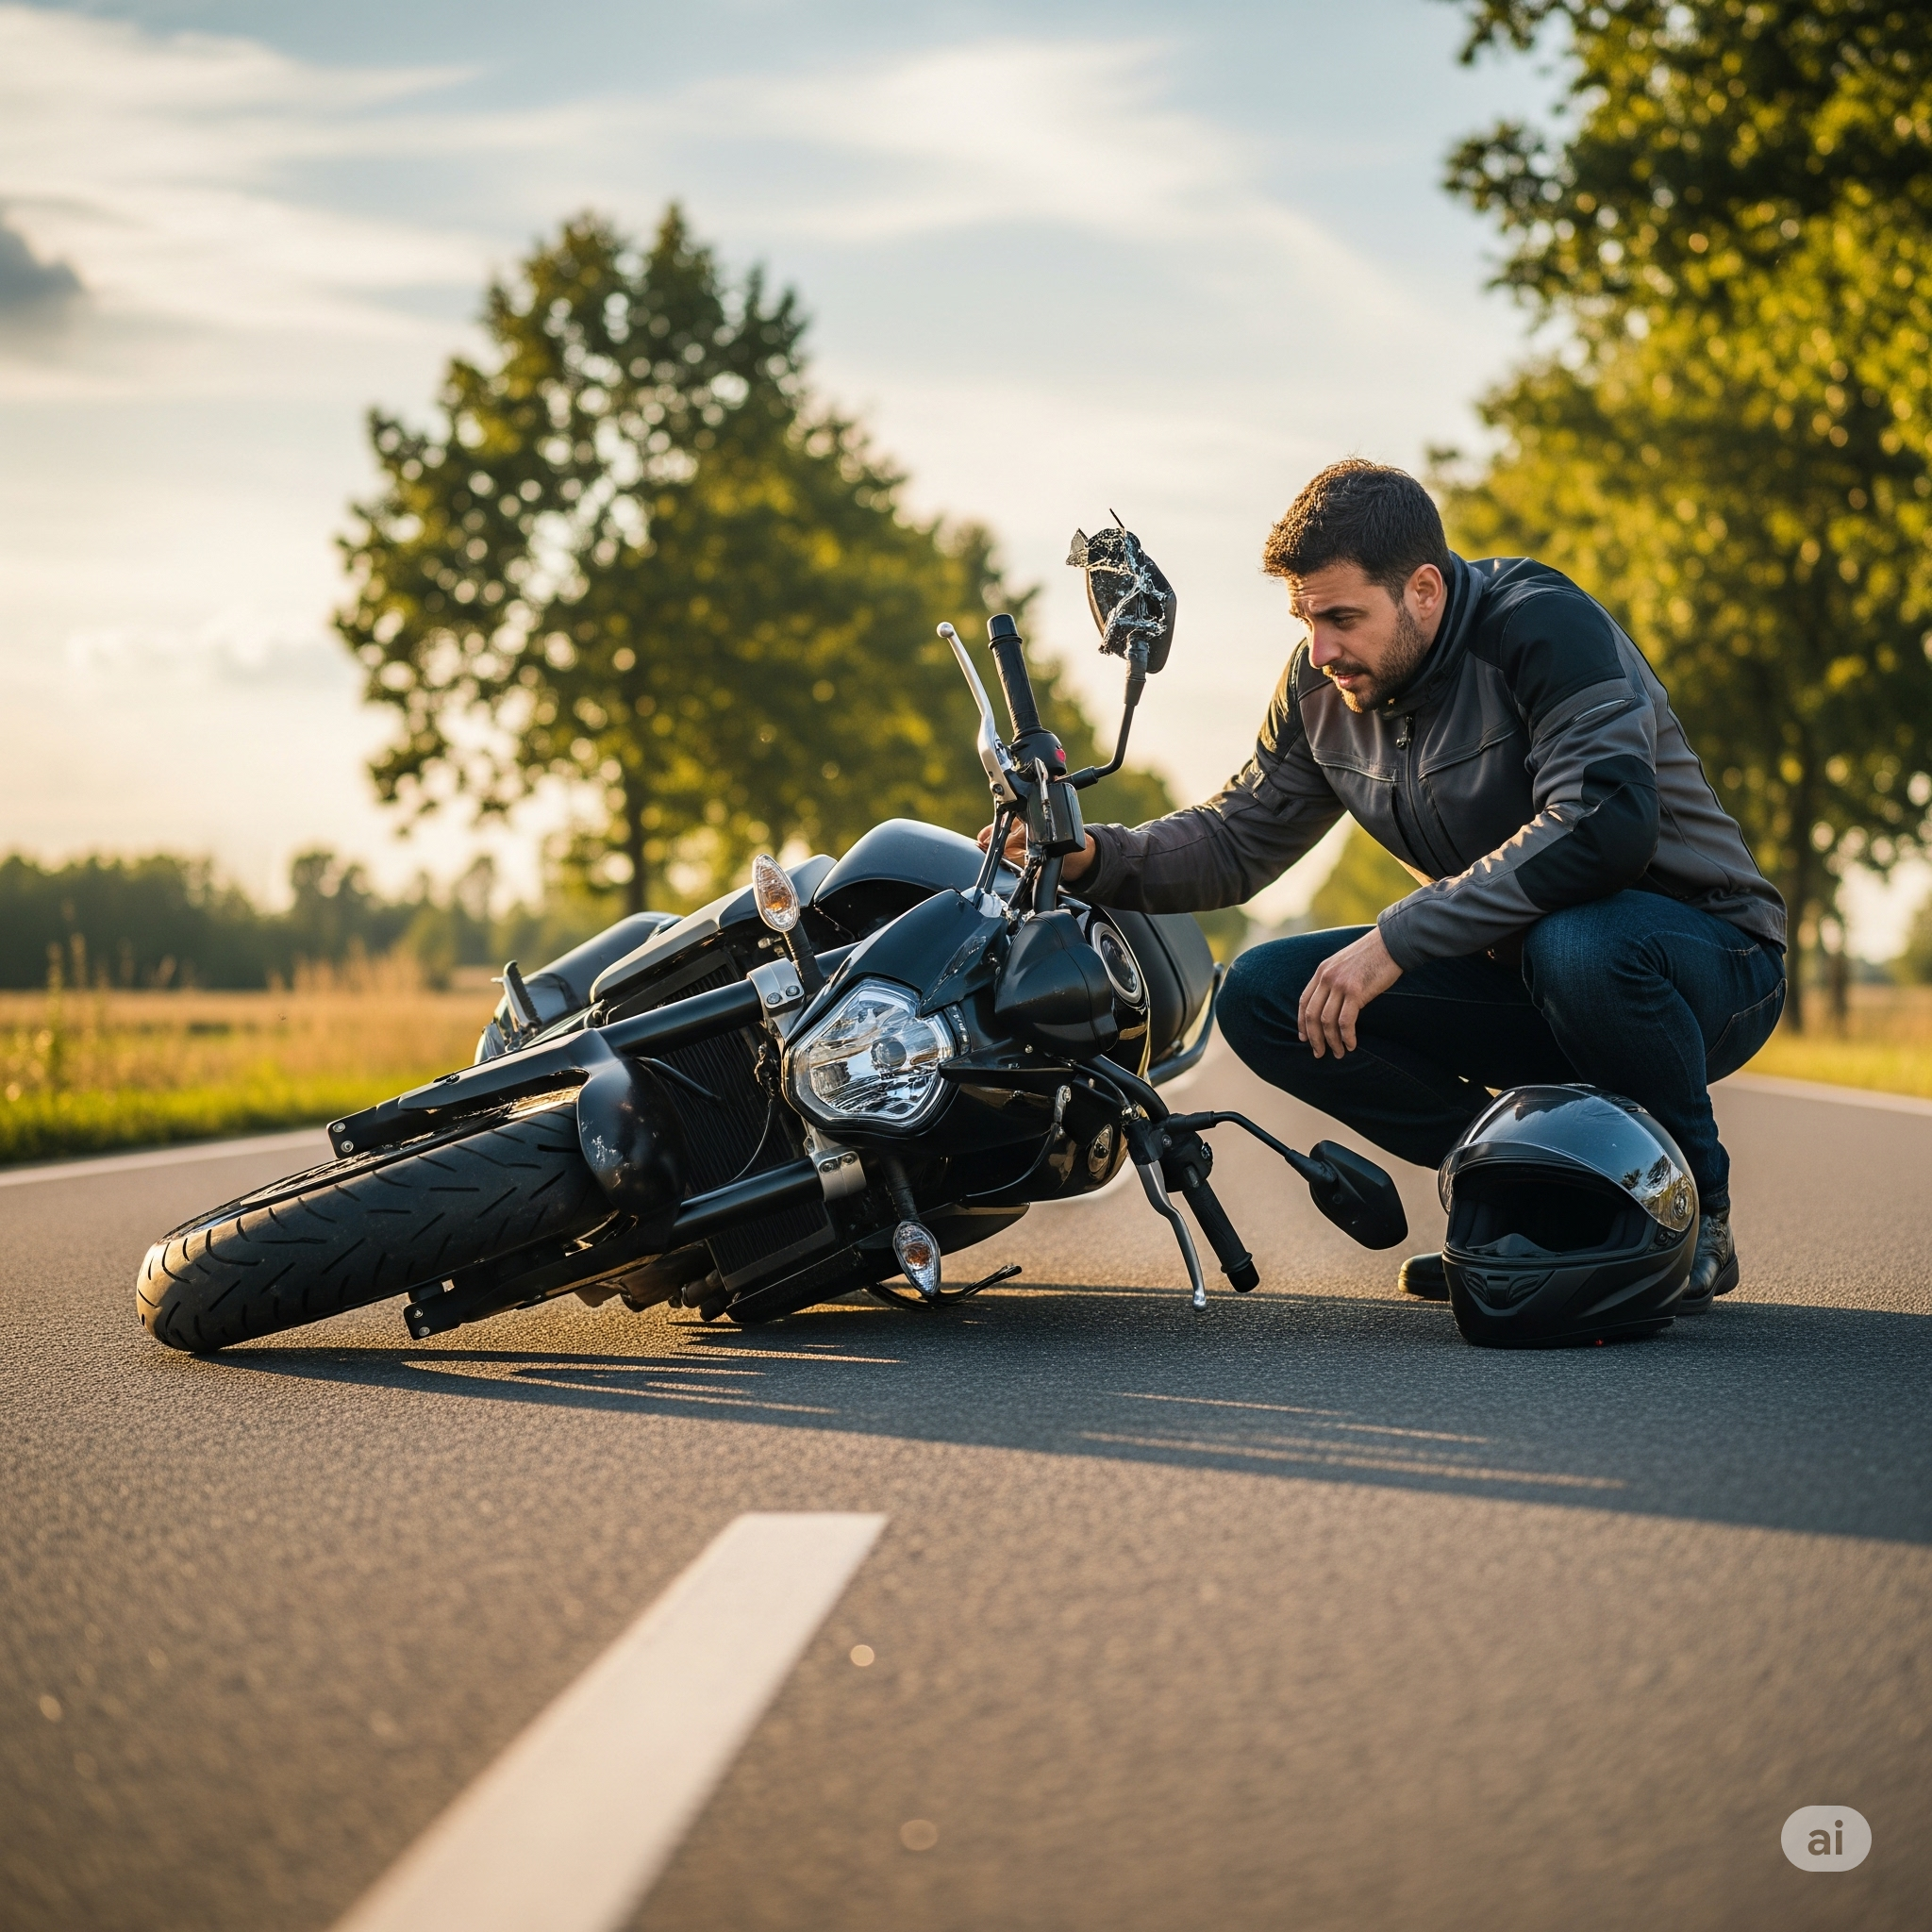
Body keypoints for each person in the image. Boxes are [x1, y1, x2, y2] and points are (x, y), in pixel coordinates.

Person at [982, 460, 1787, 1313]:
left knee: (1578, 944)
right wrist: (1093, 857)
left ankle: (1696, 1217)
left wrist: (1400, 937)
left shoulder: (1540, 626)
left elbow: (1603, 822)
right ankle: (1530, 1203)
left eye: (1341, 618)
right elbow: (1235, 838)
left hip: (1702, 958)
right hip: (1527, 977)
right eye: (1306, 619)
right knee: (1263, 994)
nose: (1321, 649)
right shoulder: (1320, 688)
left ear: (1426, 591)